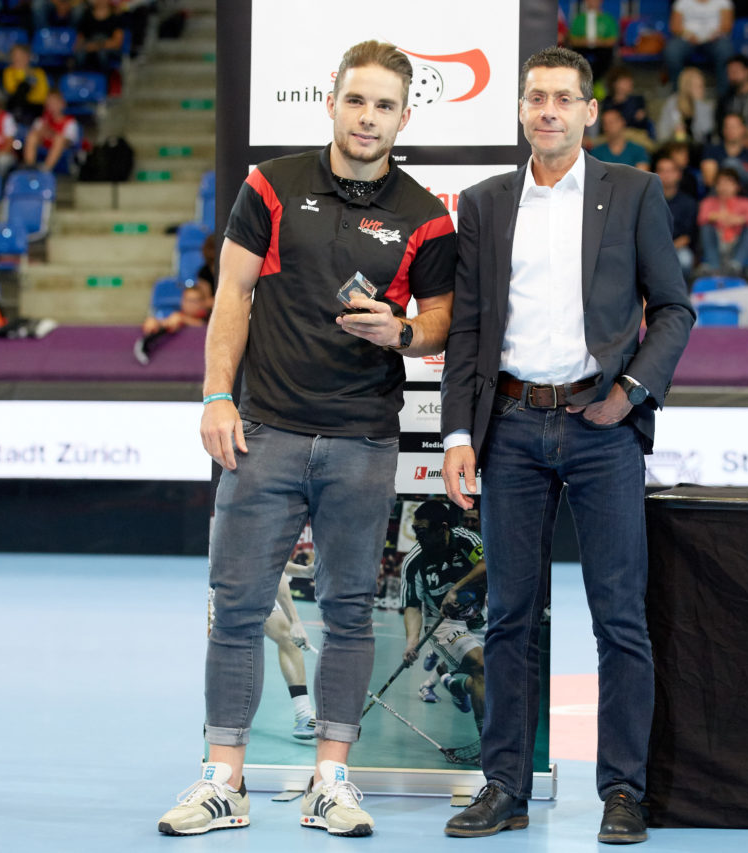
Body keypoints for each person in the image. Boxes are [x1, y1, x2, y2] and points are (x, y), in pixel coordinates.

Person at [156, 40, 457, 839]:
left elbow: (441, 321)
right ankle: (224, 781)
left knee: (350, 613)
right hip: (265, 433)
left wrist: (400, 331)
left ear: (404, 117)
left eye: (384, 105)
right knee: (236, 608)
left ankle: (331, 781)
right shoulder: (271, 184)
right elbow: (232, 295)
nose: (368, 117)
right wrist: (216, 395)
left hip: (365, 439)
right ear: (331, 101)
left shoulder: (426, 213)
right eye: (357, 100)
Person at [439, 45, 694, 845]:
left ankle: (623, 791)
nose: (547, 110)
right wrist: (458, 432)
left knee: (619, 616)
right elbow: (469, 328)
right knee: (509, 616)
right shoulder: (483, 203)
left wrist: (630, 392)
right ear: (520, 109)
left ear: (590, 111)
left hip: (600, 427)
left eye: (562, 97)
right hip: (510, 428)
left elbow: (674, 308)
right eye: (535, 97)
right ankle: (504, 787)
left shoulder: (634, 192)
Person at [400, 500, 487, 733]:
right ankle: (486, 742)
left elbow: (487, 564)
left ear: (443, 528)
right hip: (442, 623)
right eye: (415, 530)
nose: (417, 537)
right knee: (480, 665)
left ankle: (455, 684)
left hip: (478, 614)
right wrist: (411, 643)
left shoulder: (467, 539)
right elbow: (412, 606)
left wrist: (457, 588)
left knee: (494, 679)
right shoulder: (413, 562)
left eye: (422, 531)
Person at [263, 571, 318, 740]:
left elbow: (276, 561)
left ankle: (303, 715)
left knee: (288, 636)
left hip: (254, 583)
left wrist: (304, 570)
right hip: (221, 582)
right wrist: (296, 620)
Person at [697, 167, 748, 278]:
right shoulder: (708, 202)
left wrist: (740, 219)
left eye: (728, 183)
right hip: (717, 242)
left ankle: (736, 264)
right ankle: (713, 266)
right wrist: (716, 217)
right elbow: (701, 218)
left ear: (737, 186)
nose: (724, 187)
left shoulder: (746, 203)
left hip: (737, 243)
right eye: (720, 183)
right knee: (706, 227)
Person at [132, 280, 210, 365]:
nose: (191, 304)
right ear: (182, 301)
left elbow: (204, 325)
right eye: (188, 300)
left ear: (202, 303)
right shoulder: (177, 315)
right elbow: (169, 323)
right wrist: (156, 322)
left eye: (195, 301)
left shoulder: (208, 316)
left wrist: (183, 319)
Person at [666, 0, 735, 96]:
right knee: (672, 51)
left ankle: (724, 95)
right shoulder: (682, 2)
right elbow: (675, 27)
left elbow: (727, 26)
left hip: (714, 40)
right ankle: (678, 94)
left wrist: (715, 34)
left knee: (725, 50)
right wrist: (688, 35)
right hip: (688, 40)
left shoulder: (723, 2)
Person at [654, 150, 698, 281]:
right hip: (651, 248)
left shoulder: (688, 203)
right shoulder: (647, 201)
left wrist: (666, 250)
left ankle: (680, 292)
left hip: (677, 248)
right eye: (661, 170)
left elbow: (687, 236)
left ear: (678, 174)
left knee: (685, 260)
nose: (666, 175)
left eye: (670, 171)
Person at [655, 67, 716, 145]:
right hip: (675, 146)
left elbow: (706, 131)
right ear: (687, 87)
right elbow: (662, 134)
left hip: (699, 148)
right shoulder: (672, 103)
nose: (703, 90)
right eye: (699, 86)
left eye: (703, 86)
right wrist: (674, 132)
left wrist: (698, 104)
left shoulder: (705, 107)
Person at [23, 91, 79, 172]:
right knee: (32, 136)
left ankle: (46, 168)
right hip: (44, 145)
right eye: (49, 104)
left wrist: (51, 133)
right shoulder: (41, 120)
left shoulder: (70, 122)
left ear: (62, 104)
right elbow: (35, 134)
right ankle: (29, 166)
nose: (52, 107)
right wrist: (43, 130)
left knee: (59, 139)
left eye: (55, 104)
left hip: (61, 149)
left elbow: (69, 141)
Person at [568, 0, 618, 82]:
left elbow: (612, 40)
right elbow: (572, 40)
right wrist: (585, 42)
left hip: (602, 51)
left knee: (605, 56)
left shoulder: (608, 19)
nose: (592, 2)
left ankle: (597, 82)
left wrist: (599, 42)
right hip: (582, 49)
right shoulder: (578, 19)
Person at [2, 44, 51, 125]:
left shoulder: (38, 73)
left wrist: (30, 96)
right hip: (16, 105)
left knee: (26, 84)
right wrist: (22, 73)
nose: (18, 59)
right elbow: (11, 89)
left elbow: (42, 94)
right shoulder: (8, 72)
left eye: (21, 55)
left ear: (28, 56)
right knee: (23, 86)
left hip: (34, 107)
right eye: (15, 56)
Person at [599, 65, 650, 136]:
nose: (630, 83)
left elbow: (643, 124)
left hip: (635, 136)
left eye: (630, 80)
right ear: (615, 83)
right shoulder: (607, 103)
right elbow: (605, 126)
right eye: (625, 81)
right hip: (612, 136)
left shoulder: (638, 101)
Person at [75, 0, 124, 71]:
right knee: (80, 54)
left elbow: (117, 43)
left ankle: (104, 76)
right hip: (89, 49)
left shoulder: (115, 17)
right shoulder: (86, 15)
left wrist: (97, 46)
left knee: (102, 54)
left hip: (107, 51)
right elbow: (80, 39)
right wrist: (82, 46)